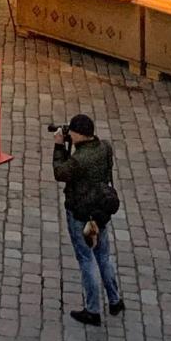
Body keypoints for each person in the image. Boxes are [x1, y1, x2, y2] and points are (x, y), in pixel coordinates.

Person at [52, 113, 124, 328]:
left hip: (81, 215)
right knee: (103, 256)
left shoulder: (79, 159)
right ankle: (115, 300)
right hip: (100, 211)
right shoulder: (105, 147)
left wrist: (59, 147)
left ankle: (92, 310)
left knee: (86, 260)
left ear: (78, 134)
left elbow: (60, 173)